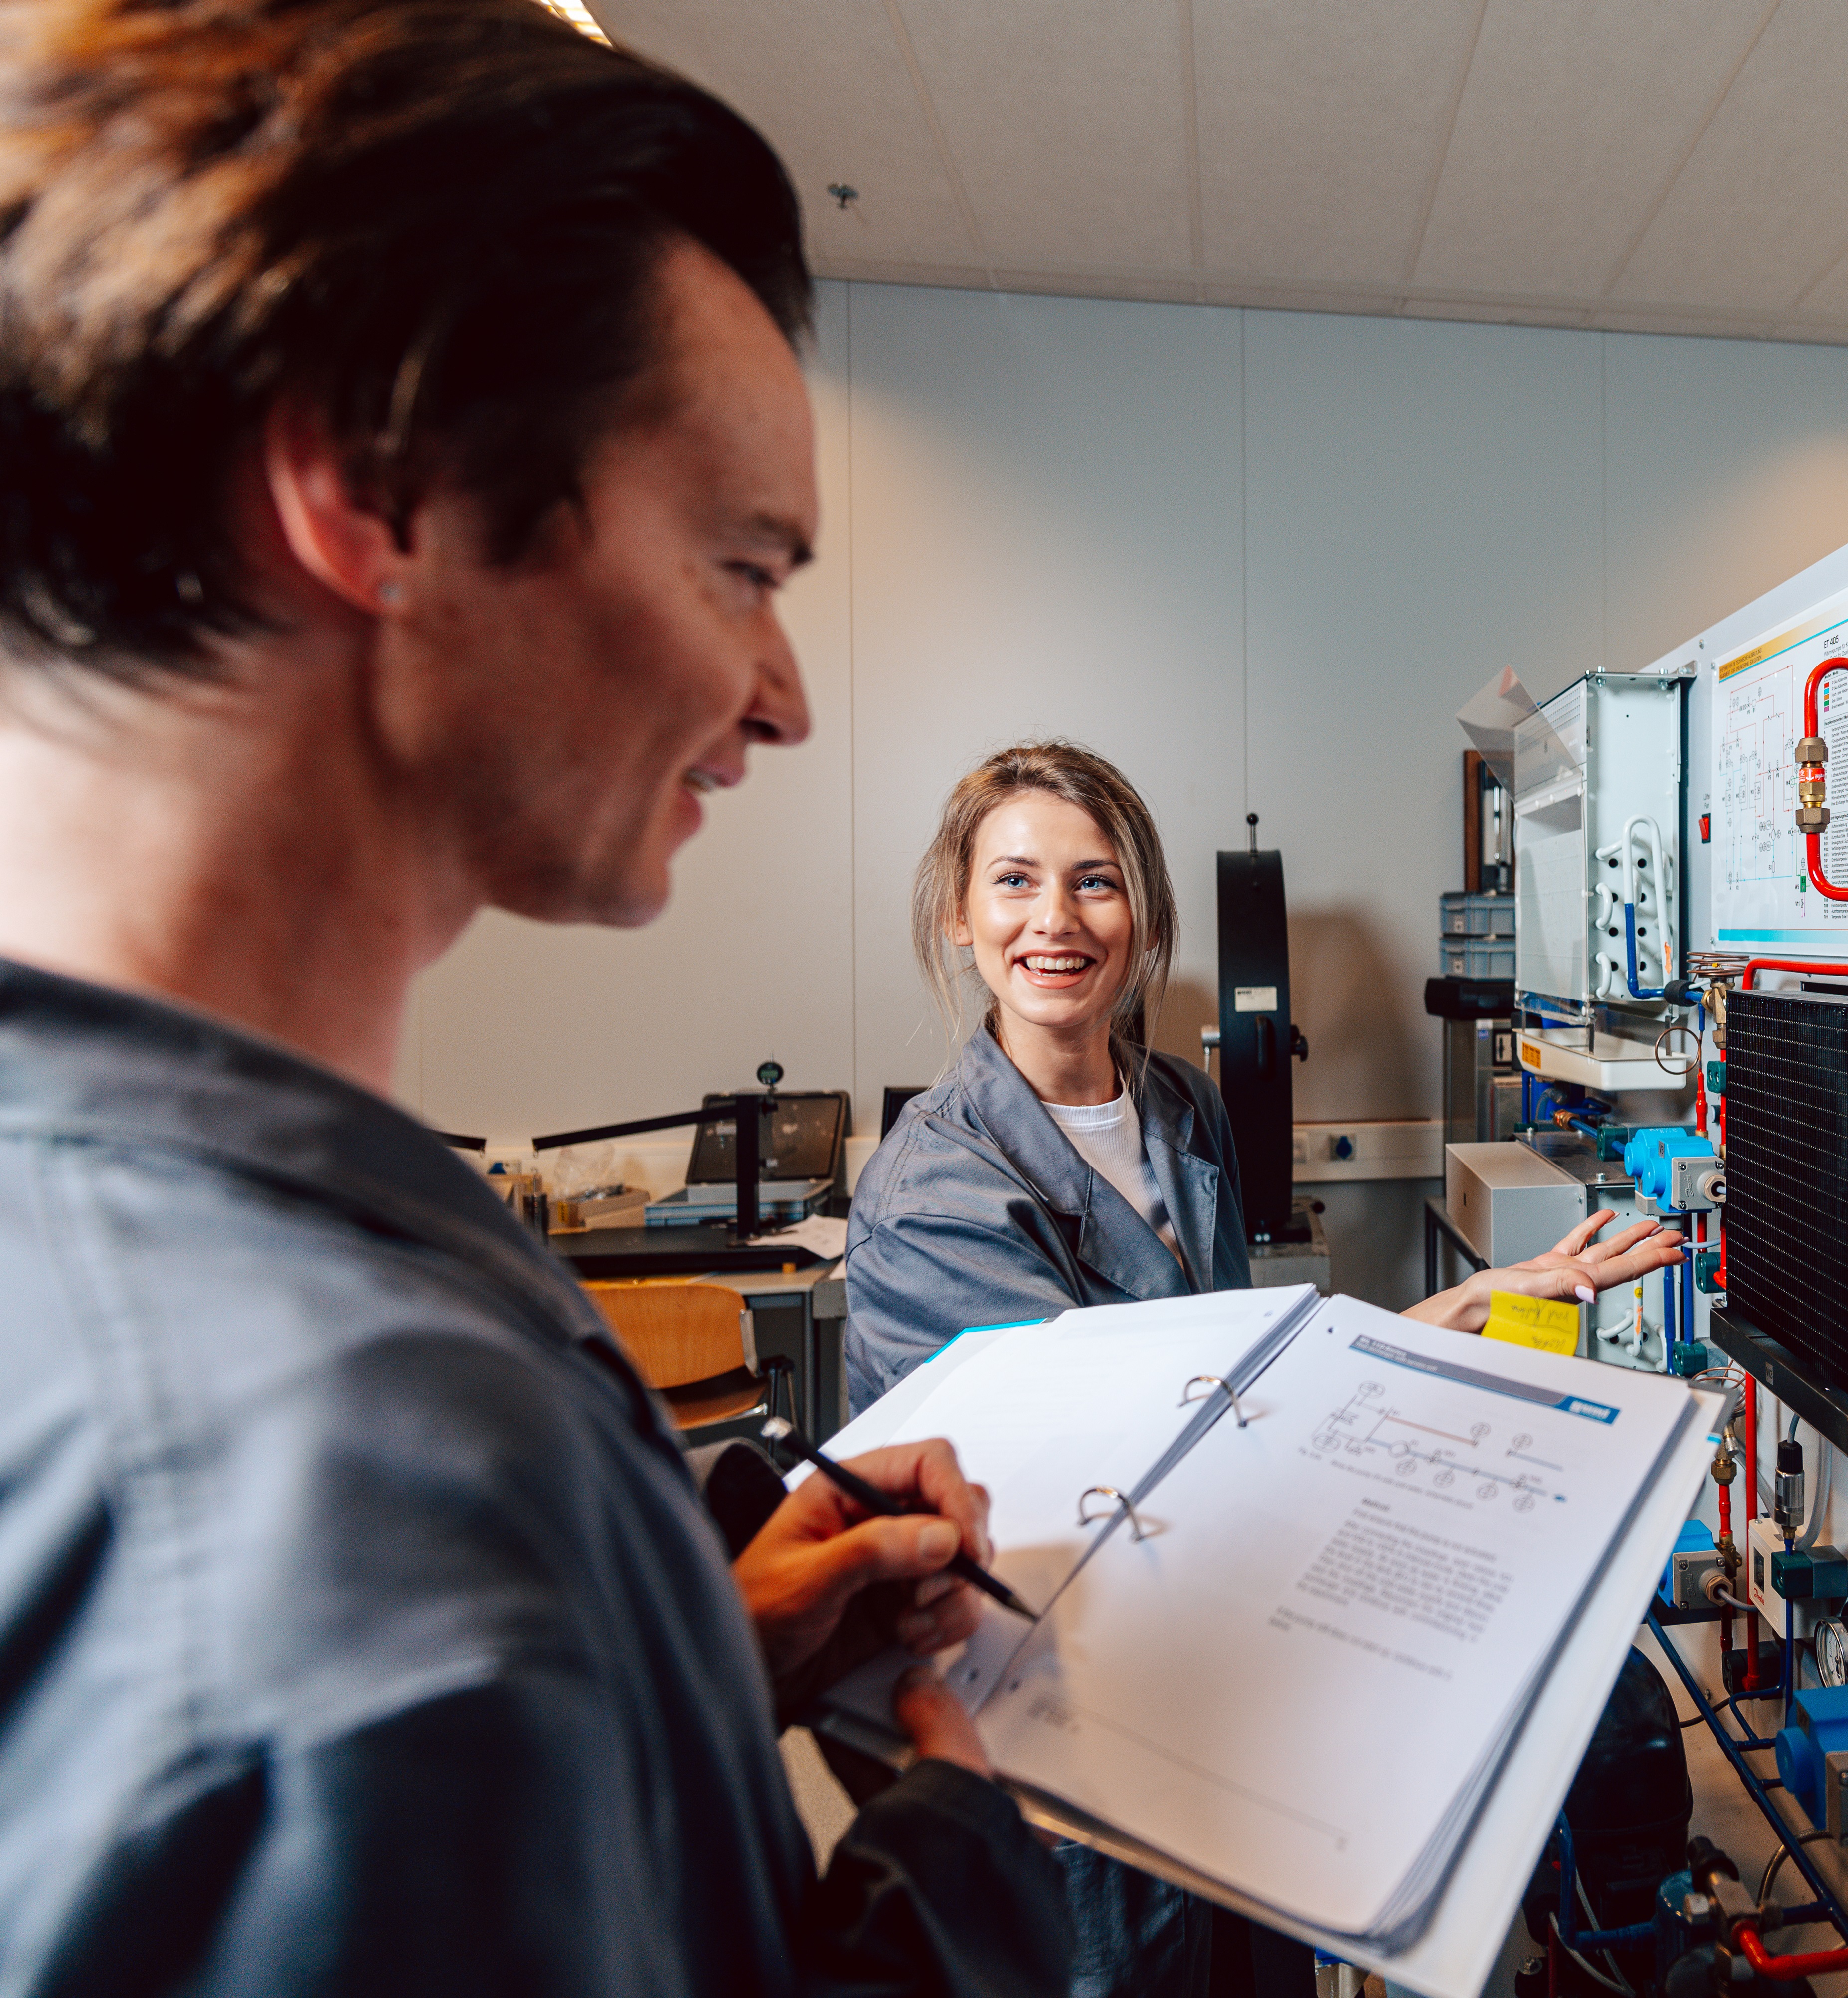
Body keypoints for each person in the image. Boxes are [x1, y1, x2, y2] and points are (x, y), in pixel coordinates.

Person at [0, 3, 1067, 1992]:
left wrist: (672, 1651)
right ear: (377, 487)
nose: (782, 693)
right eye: (743, 563)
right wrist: (962, 1892)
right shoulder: (339, 1492)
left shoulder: (199, 1255)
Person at [843, 739, 1687, 1995]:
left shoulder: (1180, 1108)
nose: (1056, 922)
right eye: (1014, 884)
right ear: (961, 919)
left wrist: (1480, 1300)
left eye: (1097, 881)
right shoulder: (937, 1192)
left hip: (1213, 1623)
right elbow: (1105, 1482)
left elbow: (1242, 1389)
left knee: (1600, 1713)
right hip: (1061, 1693)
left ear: (1144, 913)